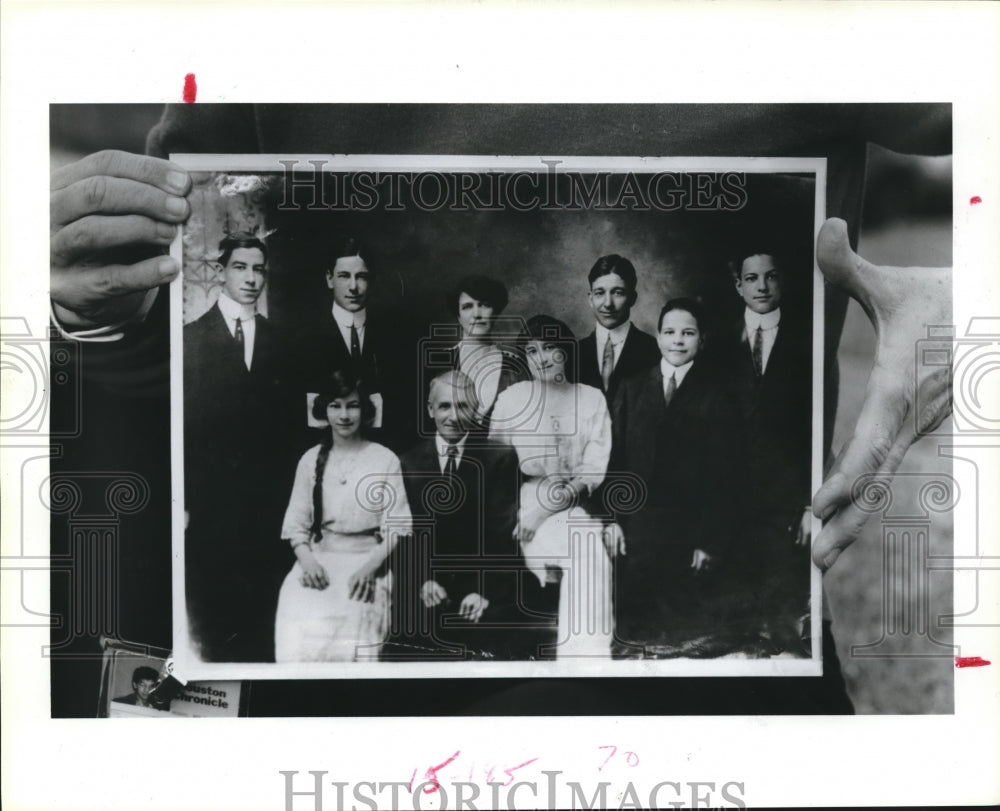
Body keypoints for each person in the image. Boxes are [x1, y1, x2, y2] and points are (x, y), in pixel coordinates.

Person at [48, 103, 954, 715]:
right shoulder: (472, 405)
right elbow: (156, 335)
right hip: (366, 719)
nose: (552, 355)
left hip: (701, 696)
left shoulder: (613, 392)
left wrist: (966, 302)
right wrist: (84, 313)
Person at [183, 235, 297, 663]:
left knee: (267, 629)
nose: (251, 278)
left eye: (259, 269)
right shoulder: (190, 341)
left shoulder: (284, 343)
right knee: (215, 629)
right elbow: (186, 432)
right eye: (240, 267)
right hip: (212, 514)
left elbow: (293, 433)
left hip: (271, 511)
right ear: (220, 272)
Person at [608, 298, 743, 654]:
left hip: (687, 532)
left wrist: (709, 541)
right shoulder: (631, 388)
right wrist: (612, 519)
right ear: (657, 337)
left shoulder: (717, 396)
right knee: (630, 632)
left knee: (680, 636)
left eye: (688, 333)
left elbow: (723, 477)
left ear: (701, 339)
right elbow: (613, 460)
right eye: (669, 332)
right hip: (634, 529)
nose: (678, 341)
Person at [489, 315, 614, 658]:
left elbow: (592, 471)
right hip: (523, 502)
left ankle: (586, 658)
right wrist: (520, 514)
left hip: (572, 502)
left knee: (588, 549)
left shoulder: (590, 399)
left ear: (566, 351)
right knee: (574, 548)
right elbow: (495, 468)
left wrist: (545, 510)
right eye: (531, 350)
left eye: (549, 348)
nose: (541, 358)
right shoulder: (513, 398)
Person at [273, 371, 412, 663]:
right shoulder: (311, 459)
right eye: (336, 406)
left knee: (355, 618)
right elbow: (297, 525)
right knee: (295, 604)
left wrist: (370, 568)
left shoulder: (384, 458)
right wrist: (308, 561)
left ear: (366, 409)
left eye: (353, 405)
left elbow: (397, 526)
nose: (344, 415)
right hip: (320, 559)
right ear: (324, 410)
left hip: (369, 561)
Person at [392, 371, 527, 659]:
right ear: (430, 409)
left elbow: (503, 536)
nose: (454, 416)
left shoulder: (499, 458)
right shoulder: (408, 463)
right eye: (444, 406)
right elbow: (404, 536)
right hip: (425, 587)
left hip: (482, 588)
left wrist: (482, 590)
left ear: (476, 409)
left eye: (463, 406)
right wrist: (422, 581)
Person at [719, 251, 813, 649]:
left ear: (783, 282)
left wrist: (809, 502)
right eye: (752, 278)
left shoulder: (805, 340)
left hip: (784, 494)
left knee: (780, 602)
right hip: (730, 491)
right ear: (738, 285)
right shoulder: (719, 344)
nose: (761, 286)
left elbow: (812, 424)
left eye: (771, 277)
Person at [292, 237, 417, 453]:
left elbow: (403, 409)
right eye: (344, 276)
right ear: (329, 279)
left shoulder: (394, 338)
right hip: (326, 458)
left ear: (371, 281)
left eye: (361, 277)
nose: (353, 287)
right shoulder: (306, 339)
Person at [422, 275, 528, 433]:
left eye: (484, 305)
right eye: (467, 306)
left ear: (496, 311)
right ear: (458, 315)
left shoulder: (515, 368)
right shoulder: (437, 364)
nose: (476, 314)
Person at [578, 254, 661, 404]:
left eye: (618, 292)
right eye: (599, 293)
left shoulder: (654, 350)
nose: (608, 303)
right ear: (590, 299)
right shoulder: (574, 353)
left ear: (632, 298)